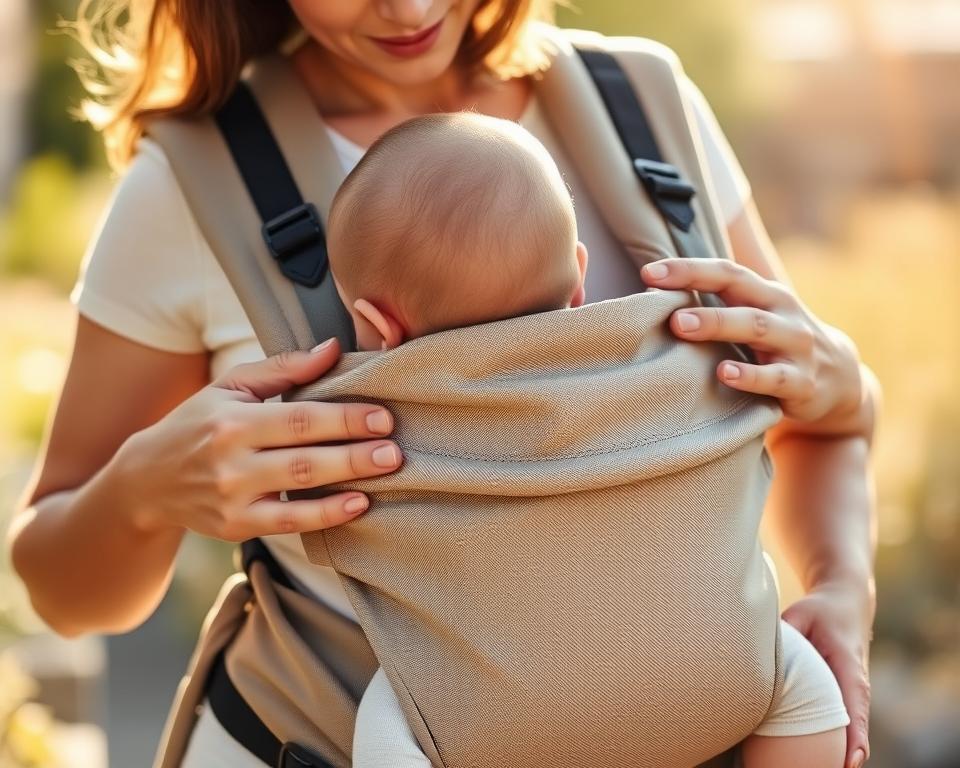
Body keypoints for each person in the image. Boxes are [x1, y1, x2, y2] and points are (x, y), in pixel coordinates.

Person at [5, 2, 878, 767]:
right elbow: (61, 590)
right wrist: (146, 493)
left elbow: (817, 416)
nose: (407, 6)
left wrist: (841, 584)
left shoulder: (643, 110)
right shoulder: (190, 183)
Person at [321, 110, 849, 768]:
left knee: (387, 715)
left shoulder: (365, 417)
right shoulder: (684, 355)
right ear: (578, 277)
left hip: (481, 718)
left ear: (377, 323)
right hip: (716, 668)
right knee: (803, 689)